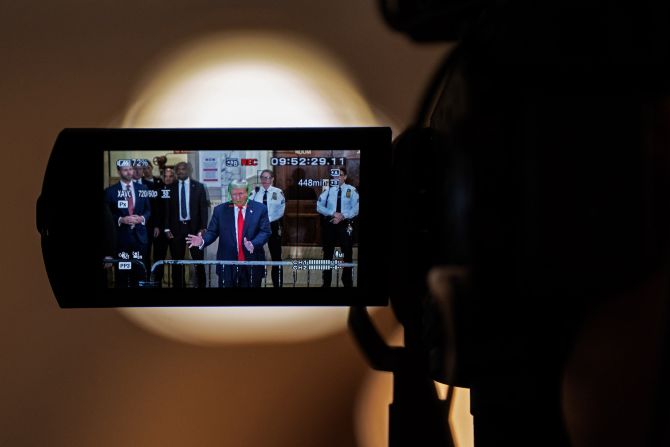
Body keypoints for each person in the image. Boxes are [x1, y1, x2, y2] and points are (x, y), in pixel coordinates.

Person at [187, 179, 271, 288]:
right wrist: (203, 241)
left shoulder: (260, 209)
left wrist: (253, 244)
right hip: (226, 264)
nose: (237, 197)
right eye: (234, 194)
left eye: (240, 194)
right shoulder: (220, 210)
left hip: (252, 262)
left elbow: (265, 231)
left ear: (247, 192)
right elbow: (212, 232)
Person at [103, 159, 151, 287]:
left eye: (130, 169)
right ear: (119, 171)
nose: (129, 172)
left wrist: (142, 218)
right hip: (121, 239)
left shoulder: (143, 188)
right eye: (125, 170)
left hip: (140, 239)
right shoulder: (110, 192)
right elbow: (106, 217)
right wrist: (121, 219)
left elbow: (148, 210)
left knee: (139, 273)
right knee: (122, 275)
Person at [164, 161, 209, 288]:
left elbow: (203, 209)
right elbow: (166, 209)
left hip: (194, 229)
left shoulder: (199, 187)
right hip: (176, 228)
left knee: (198, 261)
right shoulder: (169, 188)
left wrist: (203, 228)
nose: (180, 171)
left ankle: (201, 286)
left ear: (189, 171)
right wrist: (166, 228)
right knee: (177, 262)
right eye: (177, 169)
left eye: (183, 169)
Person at [316, 167, 359, 287]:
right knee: (328, 254)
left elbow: (356, 208)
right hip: (331, 224)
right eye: (335, 175)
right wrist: (332, 213)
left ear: (345, 177)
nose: (337, 177)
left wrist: (343, 216)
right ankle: (326, 282)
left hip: (345, 224)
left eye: (340, 175)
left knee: (347, 253)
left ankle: (347, 281)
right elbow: (319, 206)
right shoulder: (328, 190)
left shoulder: (351, 190)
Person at [250, 169, 286, 287]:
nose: (265, 180)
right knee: (256, 256)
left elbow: (281, 211)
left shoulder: (278, 192)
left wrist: (267, 220)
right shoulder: (255, 192)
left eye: (267, 178)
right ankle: (256, 282)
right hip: (257, 227)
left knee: (276, 257)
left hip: (272, 226)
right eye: (263, 178)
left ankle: (277, 284)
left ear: (272, 179)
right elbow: (249, 209)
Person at [151, 167, 175, 286]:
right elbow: (155, 211)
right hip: (159, 231)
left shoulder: (178, 191)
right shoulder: (157, 191)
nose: (168, 179)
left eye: (170, 176)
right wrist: (156, 226)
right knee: (158, 259)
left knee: (177, 261)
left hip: (175, 231)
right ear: (162, 177)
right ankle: (157, 284)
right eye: (166, 176)